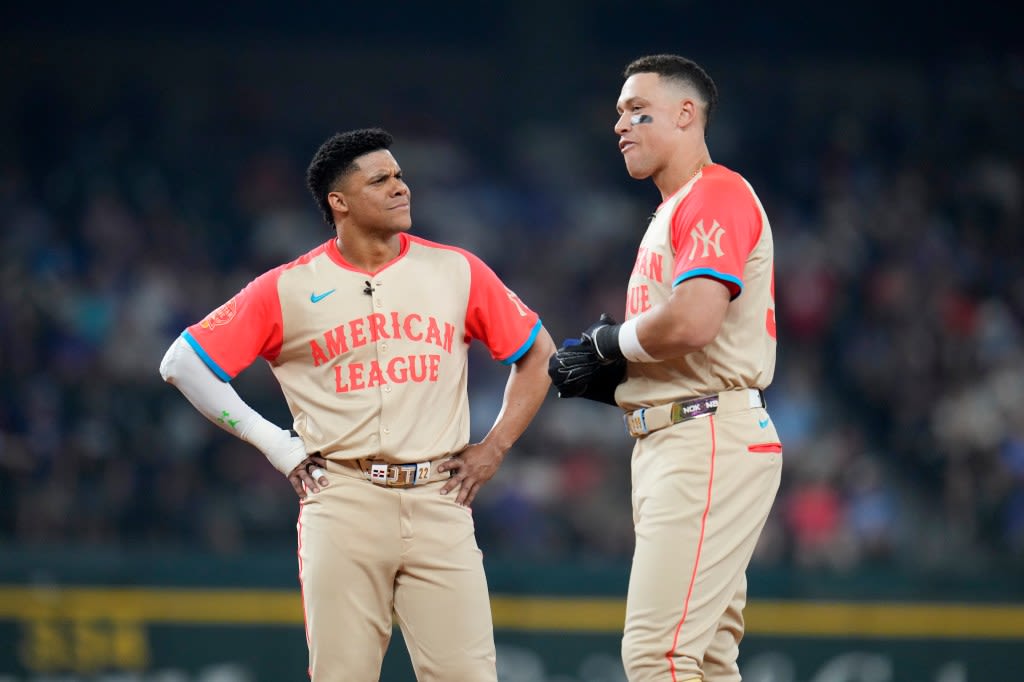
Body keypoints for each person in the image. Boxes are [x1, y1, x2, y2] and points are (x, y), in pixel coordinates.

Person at [159, 127, 555, 681]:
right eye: (381, 180)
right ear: (338, 202)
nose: (401, 187)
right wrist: (275, 443)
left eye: (399, 176)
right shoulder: (288, 286)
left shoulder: (456, 269)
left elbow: (539, 354)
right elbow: (182, 362)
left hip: (439, 496)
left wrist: (495, 447)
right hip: (342, 496)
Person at [549, 55, 782, 682]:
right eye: (619, 112)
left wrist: (610, 344)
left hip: (705, 436)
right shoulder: (676, 207)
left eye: (635, 109)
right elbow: (689, 340)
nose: (619, 124)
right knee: (704, 660)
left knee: (658, 657)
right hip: (684, 430)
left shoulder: (715, 193)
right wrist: (621, 381)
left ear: (686, 114)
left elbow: (693, 320)